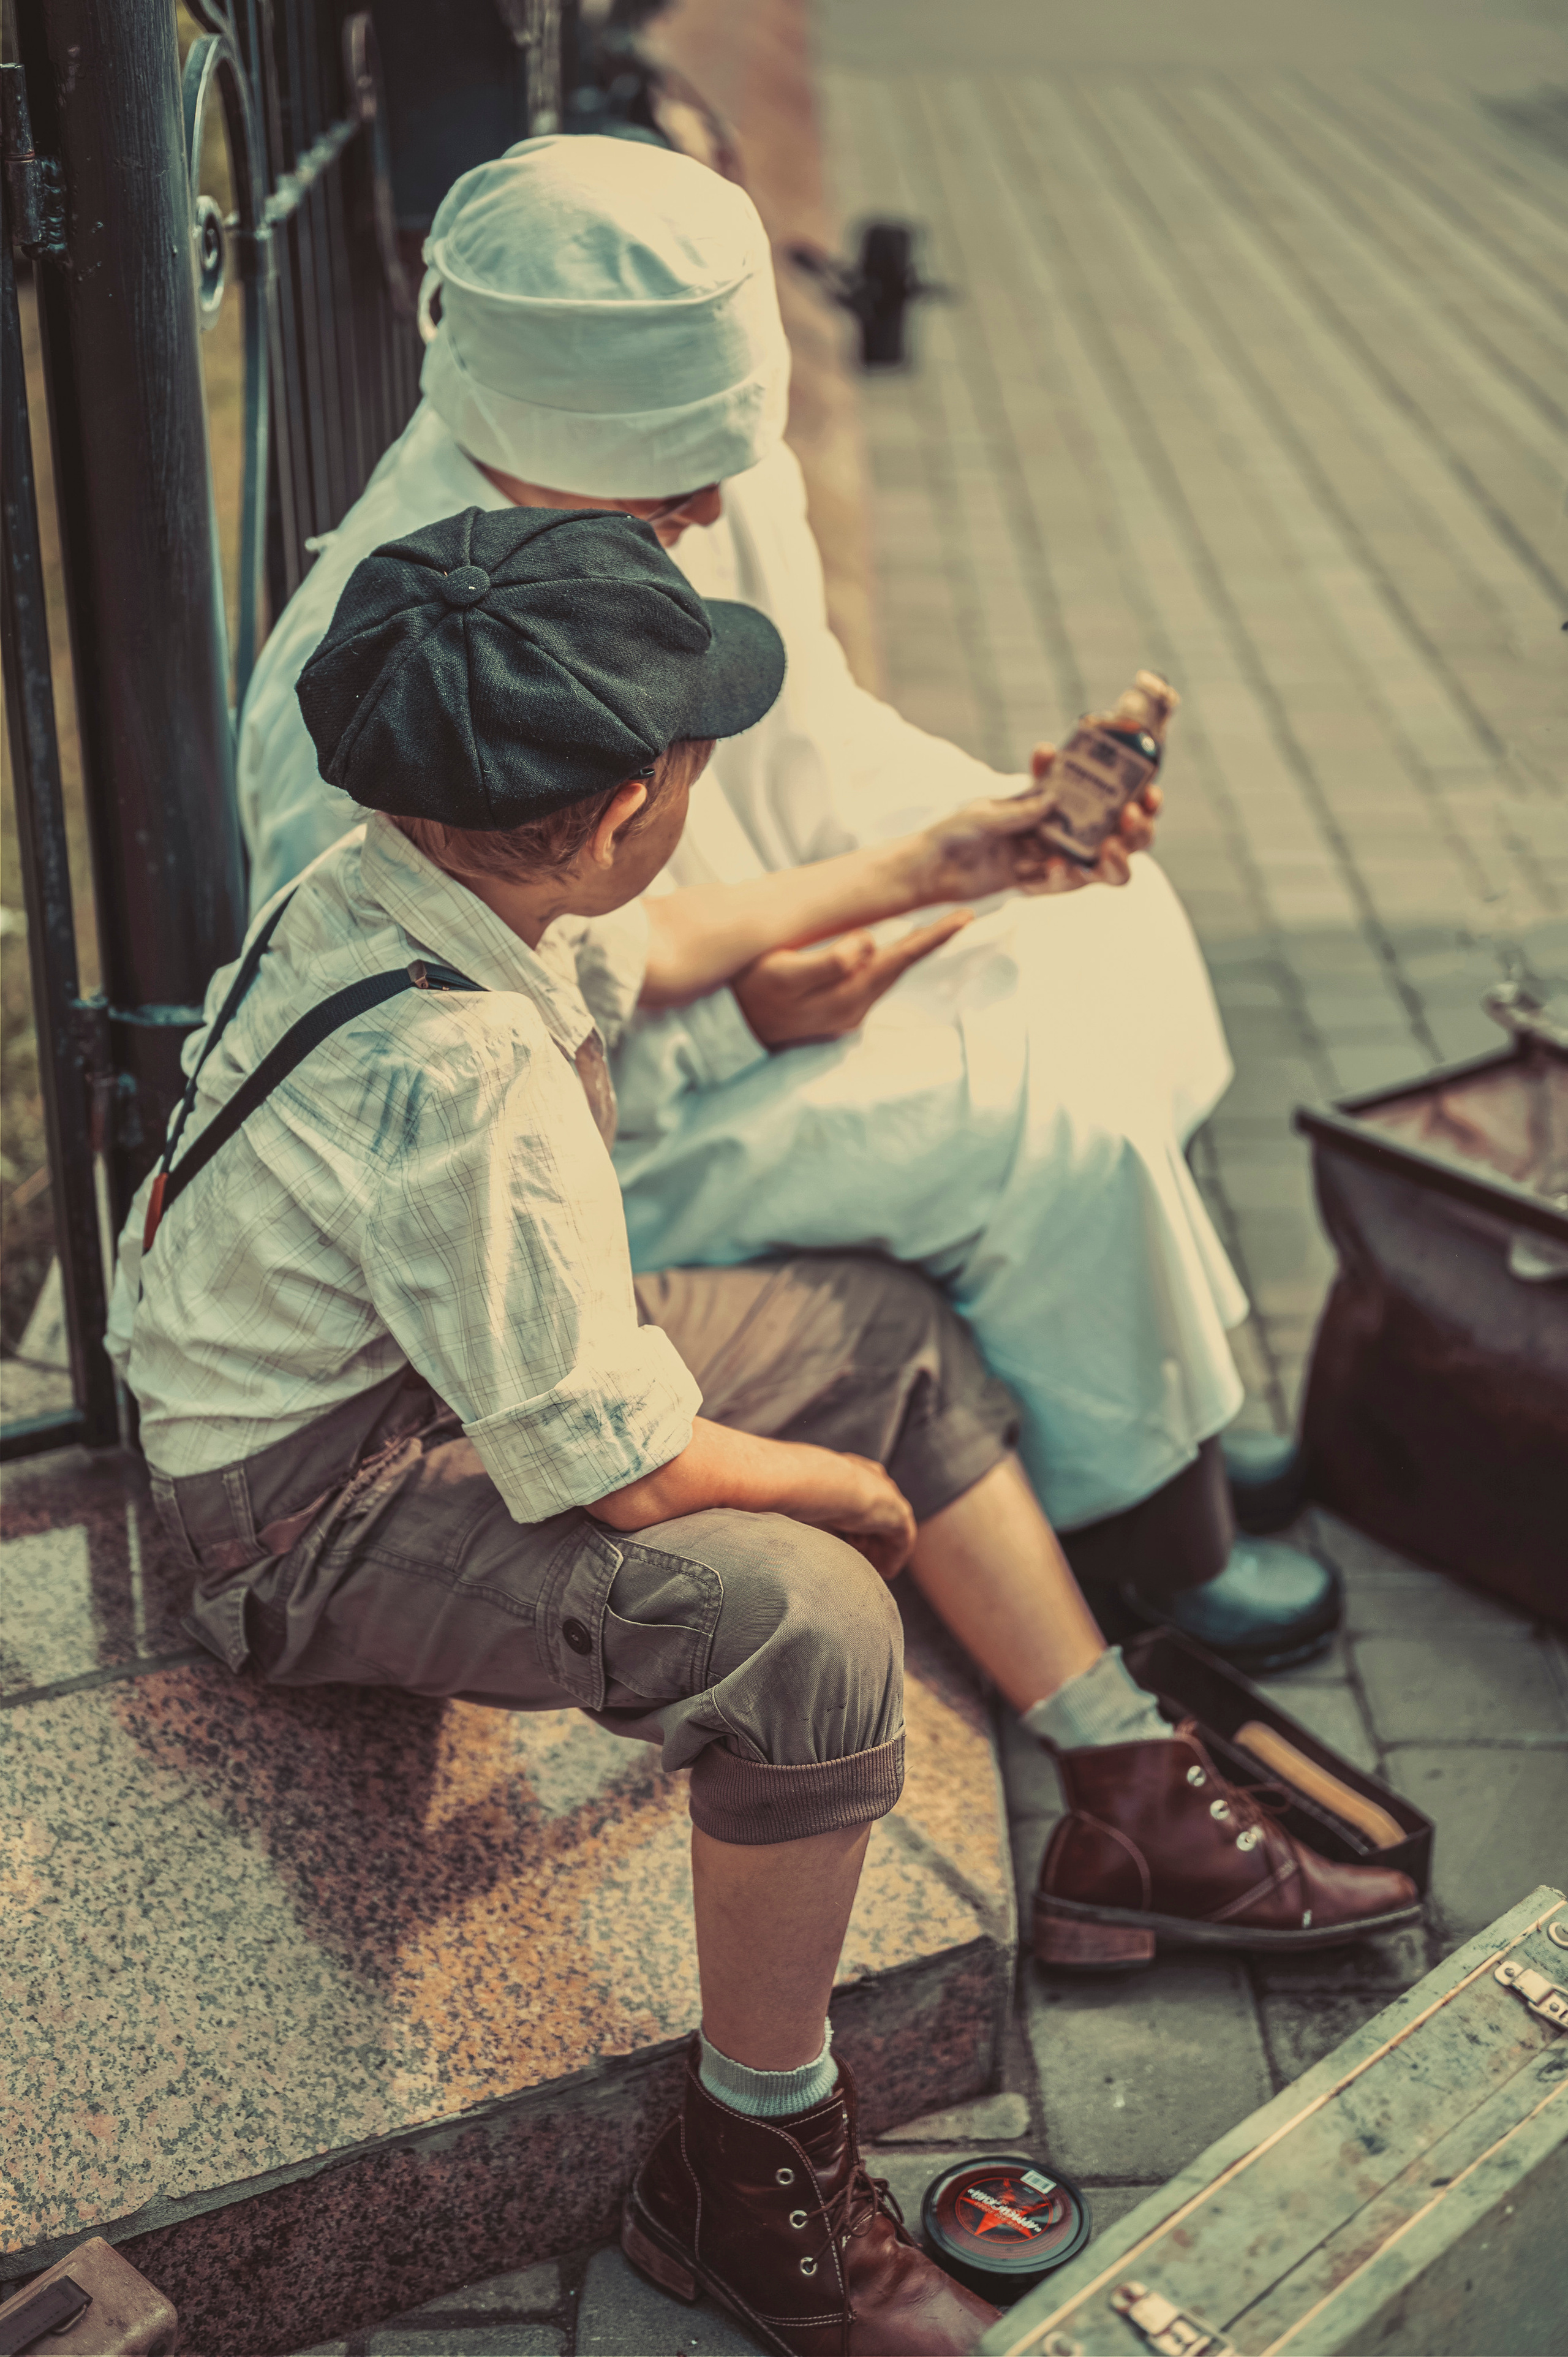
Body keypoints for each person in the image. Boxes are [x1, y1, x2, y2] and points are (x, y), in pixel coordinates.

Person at [114, 510, 1416, 2355]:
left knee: (879, 1329)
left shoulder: (410, 863)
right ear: (619, 811)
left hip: (425, 1361)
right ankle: (744, 2165)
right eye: (691, 753)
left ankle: (1117, 1787)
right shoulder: (458, 1078)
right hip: (307, 1510)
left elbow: (661, 949)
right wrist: (849, 1496)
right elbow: (630, 1469)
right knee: (809, 1623)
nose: (701, 772)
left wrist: (954, 857)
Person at [235, 134, 1332, 1676]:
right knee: (1035, 1124)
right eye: (667, 485)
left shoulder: (699, 483)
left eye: (719, 461)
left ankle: (1153, 1406)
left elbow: (817, 740)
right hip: (601, 1133)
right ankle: (1151, 1528)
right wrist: (753, 1012)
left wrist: (993, 833)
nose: (710, 502)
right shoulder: (376, 673)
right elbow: (432, 1059)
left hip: (727, 977)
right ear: (545, 433)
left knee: (1108, 925)